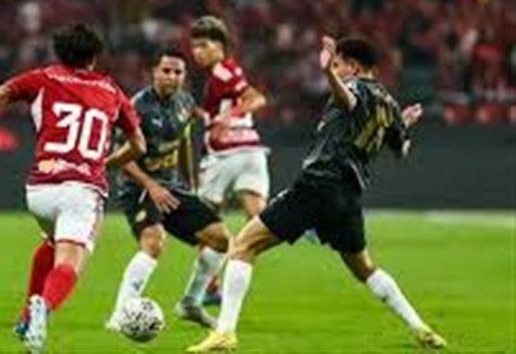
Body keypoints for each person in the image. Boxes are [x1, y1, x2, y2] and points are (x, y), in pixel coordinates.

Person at [187, 36, 447, 352]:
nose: (336, 69)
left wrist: (328, 74)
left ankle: (225, 334)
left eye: (339, 64)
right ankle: (420, 328)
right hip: (348, 197)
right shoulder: (389, 104)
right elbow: (401, 149)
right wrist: (402, 124)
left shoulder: (354, 87)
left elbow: (349, 100)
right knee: (365, 268)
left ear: (354, 67)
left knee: (243, 246)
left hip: (319, 184)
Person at [0, 24, 146, 353]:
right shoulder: (112, 91)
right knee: (71, 263)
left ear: (60, 53)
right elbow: (139, 145)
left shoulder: (41, 78)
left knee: (52, 242)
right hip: (81, 189)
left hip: (40, 190)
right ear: (95, 57)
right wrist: (105, 162)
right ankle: (44, 309)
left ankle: (27, 316)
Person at [106, 48, 231, 331]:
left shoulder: (185, 102)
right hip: (138, 187)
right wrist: (150, 185)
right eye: (166, 71)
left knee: (221, 239)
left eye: (178, 72)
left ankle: (191, 303)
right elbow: (120, 156)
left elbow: (183, 140)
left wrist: (191, 183)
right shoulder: (137, 107)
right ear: (154, 72)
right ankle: (120, 314)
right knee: (154, 242)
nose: (172, 76)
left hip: (172, 186)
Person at [189, 15, 271, 304]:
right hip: (251, 149)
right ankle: (297, 220)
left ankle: (210, 288)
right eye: (194, 46)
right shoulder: (221, 74)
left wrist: (228, 116)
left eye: (204, 45)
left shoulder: (224, 70)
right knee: (259, 221)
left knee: (204, 224)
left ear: (220, 46)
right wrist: (203, 114)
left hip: (225, 154)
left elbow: (256, 99)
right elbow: (223, 109)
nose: (197, 52)